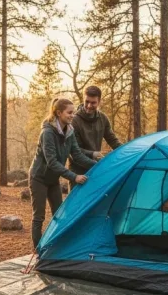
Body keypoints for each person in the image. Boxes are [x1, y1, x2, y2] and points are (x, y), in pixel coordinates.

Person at [28, 97, 96, 249]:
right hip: (39, 178)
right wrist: (74, 177)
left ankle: (57, 248)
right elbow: (52, 162)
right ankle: (38, 252)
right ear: (59, 113)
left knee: (59, 215)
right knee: (39, 217)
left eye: (73, 112)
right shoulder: (47, 133)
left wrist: (98, 165)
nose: (72, 115)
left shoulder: (70, 131)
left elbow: (77, 155)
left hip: (53, 180)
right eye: (69, 113)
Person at [69, 85, 123, 190]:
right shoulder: (74, 121)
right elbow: (74, 151)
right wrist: (93, 154)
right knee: (79, 200)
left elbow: (113, 141)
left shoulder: (103, 118)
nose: (89, 106)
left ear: (99, 102)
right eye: (87, 101)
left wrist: (127, 152)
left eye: (93, 102)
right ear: (83, 99)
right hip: (78, 173)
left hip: (96, 170)